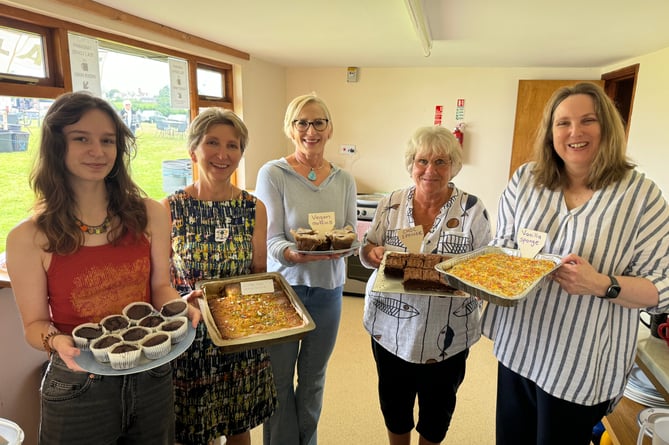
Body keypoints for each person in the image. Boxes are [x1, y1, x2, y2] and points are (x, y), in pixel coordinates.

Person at [5, 91, 200, 445]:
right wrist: (56, 341)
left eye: (108, 141)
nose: (98, 151)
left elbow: (161, 287)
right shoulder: (28, 238)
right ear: (56, 146)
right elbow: (34, 326)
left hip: (151, 375)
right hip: (80, 385)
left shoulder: (150, 215)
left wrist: (178, 306)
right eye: (82, 139)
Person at [481, 82, 669, 445]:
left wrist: (601, 284)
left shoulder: (640, 196)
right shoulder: (527, 179)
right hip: (519, 346)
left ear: (608, 129)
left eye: (588, 121)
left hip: (580, 364)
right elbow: (501, 245)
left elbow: (663, 287)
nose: (574, 132)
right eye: (562, 123)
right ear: (551, 133)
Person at [359, 126, 492, 445]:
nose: (430, 170)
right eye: (422, 161)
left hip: (448, 331)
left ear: (454, 166)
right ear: (411, 164)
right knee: (394, 403)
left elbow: (486, 265)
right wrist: (373, 253)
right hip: (389, 328)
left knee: (438, 410)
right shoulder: (391, 203)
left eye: (441, 162)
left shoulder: (472, 209)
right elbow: (367, 248)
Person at [163, 108, 276, 445]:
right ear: (193, 149)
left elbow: (259, 272)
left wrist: (263, 318)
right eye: (212, 142)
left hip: (240, 333)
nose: (223, 154)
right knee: (190, 426)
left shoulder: (254, 208)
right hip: (189, 333)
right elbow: (158, 278)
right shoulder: (170, 208)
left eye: (233, 145)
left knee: (239, 423)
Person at [254, 94, 357, 445]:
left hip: (328, 291)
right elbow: (270, 242)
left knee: (313, 378)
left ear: (329, 130)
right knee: (279, 380)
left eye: (318, 123)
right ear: (290, 128)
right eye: (302, 122)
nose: (310, 130)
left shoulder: (343, 179)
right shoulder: (273, 174)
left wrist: (344, 247)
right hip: (285, 292)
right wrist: (293, 255)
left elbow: (349, 233)